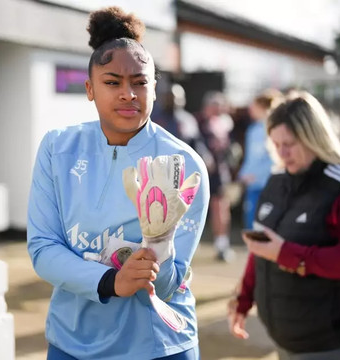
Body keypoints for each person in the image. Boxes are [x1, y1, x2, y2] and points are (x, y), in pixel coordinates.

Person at [27, 7, 209, 360]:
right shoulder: (57, 148)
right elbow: (43, 248)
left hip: (159, 346)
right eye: (112, 82)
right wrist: (112, 282)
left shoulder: (183, 164)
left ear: (154, 88)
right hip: (72, 342)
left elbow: (170, 284)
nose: (128, 94)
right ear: (90, 89)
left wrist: (160, 243)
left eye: (140, 82)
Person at [227, 92, 340, 359]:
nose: (282, 152)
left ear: (314, 137)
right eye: (275, 144)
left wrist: (288, 255)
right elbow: (263, 247)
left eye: (290, 143)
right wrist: (243, 298)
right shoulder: (278, 179)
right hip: (289, 343)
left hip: (339, 344)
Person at [196, 92, 235, 262]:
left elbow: (227, 148)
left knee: (221, 207)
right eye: (216, 104)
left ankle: (221, 243)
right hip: (199, 171)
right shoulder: (197, 122)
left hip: (219, 172)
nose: (219, 108)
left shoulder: (225, 122)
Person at [237, 89, 283, 229]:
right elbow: (250, 159)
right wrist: (241, 177)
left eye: (254, 105)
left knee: (265, 227)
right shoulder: (253, 129)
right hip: (253, 186)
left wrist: (255, 175)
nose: (250, 109)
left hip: (267, 185)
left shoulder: (274, 129)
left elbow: (276, 159)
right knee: (251, 226)